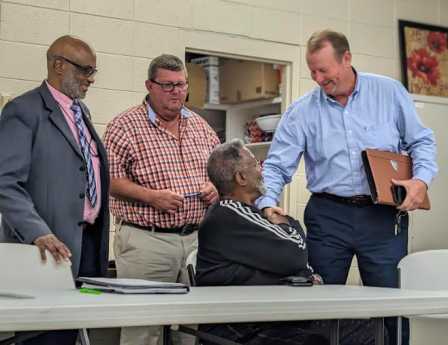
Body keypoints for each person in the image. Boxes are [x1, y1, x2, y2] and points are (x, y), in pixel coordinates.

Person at [257, 28, 438, 345]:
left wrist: (421, 180)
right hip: (328, 217)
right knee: (318, 304)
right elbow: (275, 165)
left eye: (323, 70)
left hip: (382, 217)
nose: (317, 78)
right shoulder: (302, 110)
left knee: (390, 307)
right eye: (312, 70)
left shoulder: (389, 93)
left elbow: (421, 142)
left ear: (347, 59)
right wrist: (266, 203)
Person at [196, 139, 383, 345]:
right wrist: (286, 223)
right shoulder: (229, 214)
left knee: (370, 330)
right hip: (240, 328)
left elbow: (287, 263)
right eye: (256, 164)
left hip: (274, 319)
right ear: (241, 177)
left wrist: (308, 275)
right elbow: (295, 254)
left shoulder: (250, 215)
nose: (262, 168)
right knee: (312, 342)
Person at [102, 54, 221, 345]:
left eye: (181, 85)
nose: (176, 92)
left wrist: (215, 186)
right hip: (146, 242)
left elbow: (223, 173)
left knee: (191, 327)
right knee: (144, 327)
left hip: (195, 240)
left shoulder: (201, 127)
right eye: (167, 85)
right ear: (150, 85)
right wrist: (151, 197)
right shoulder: (124, 126)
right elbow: (109, 181)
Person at [0, 35, 110, 345]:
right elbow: (5, 182)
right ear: (58, 65)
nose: (91, 79)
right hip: (45, 248)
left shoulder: (81, 113)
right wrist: (38, 232)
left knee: (72, 330)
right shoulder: (23, 110)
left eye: (94, 72)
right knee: (46, 337)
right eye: (85, 70)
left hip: (86, 244)